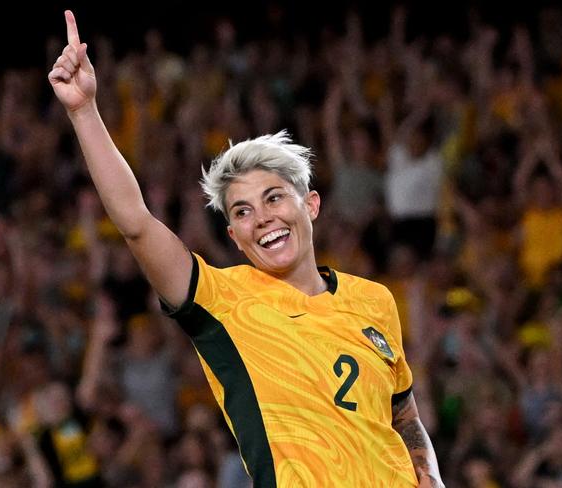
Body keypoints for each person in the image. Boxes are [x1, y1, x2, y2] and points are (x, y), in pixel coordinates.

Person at [48, 10, 444, 487]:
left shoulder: (375, 300)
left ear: (311, 205)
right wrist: (84, 111)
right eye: (242, 212)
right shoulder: (222, 301)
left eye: (274, 197)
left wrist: (431, 478)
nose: (262, 219)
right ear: (234, 237)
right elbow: (136, 224)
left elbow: (404, 416)